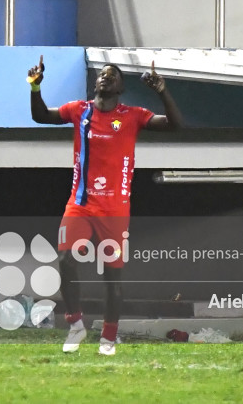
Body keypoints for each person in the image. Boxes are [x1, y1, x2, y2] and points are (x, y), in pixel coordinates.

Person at [28, 56, 183, 355]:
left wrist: (162, 91)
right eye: (102, 74)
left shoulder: (133, 115)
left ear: (121, 88)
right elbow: (40, 117)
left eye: (112, 76)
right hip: (80, 204)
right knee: (65, 260)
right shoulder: (79, 110)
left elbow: (176, 125)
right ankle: (76, 325)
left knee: (112, 277)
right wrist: (35, 88)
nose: (105, 77)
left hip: (115, 210)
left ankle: (108, 338)